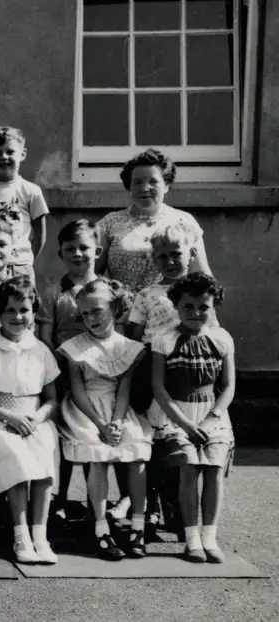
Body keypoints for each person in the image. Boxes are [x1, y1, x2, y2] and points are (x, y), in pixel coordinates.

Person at [58, 279, 151, 560]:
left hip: (117, 409)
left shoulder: (127, 347)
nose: (91, 318)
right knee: (97, 454)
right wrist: (100, 425)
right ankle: (101, 528)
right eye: (84, 313)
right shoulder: (75, 347)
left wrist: (117, 422)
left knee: (136, 449)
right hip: (86, 410)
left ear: (115, 308)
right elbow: (77, 392)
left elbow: (123, 389)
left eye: (97, 310)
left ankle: (138, 525)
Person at [147, 273, 235, 564]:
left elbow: (229, 386)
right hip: (177, 415)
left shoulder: (222, 339)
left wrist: (213, 418)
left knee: (213, 468)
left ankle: (210, 537)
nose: (196, 313)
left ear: (214, 306)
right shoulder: (164, 340)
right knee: (189, 467)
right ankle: (192, 539)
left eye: (203, 307)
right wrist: (185, 424)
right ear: (176, 305)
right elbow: (158, 387)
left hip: (212, 414)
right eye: (188, 306)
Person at [0, 276, 60, 564]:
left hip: (33, 420)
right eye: (10, 310)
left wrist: (37, 417)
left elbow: (51, 399)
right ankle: (20, 536)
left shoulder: (41, 350)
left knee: (44, 465)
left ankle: (40, 537)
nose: (17, 317)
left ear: (33, 312)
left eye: (24, 310)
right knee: (18, 464)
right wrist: (9, 416)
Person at [36, 219, 102, 521]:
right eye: (70, 249)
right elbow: (46, 339)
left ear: (97, 251)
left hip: (98, 377)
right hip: (64, 376)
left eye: (84, 247)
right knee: (64, 440)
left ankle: (94, 502)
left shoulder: (107, 291)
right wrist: (61, 366)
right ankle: (59, 500)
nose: (77, 254)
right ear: (61, 253)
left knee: (92, 439)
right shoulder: (53, 294)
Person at [95, 149, 211, 293]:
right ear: (129, 187)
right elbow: (92, 275)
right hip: (122, 305)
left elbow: (202, 277)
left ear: (166, 185)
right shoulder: (109, 223)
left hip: (169, 304)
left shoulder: (184, 221)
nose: (144, 188)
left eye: (153, 181)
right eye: (137, 182)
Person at [0, 127, 48, 282]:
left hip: (20, 264)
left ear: (22, 154)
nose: (4, 157)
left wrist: (27, 260)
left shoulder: (31, 191)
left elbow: (40, 232)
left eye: (10, 152)